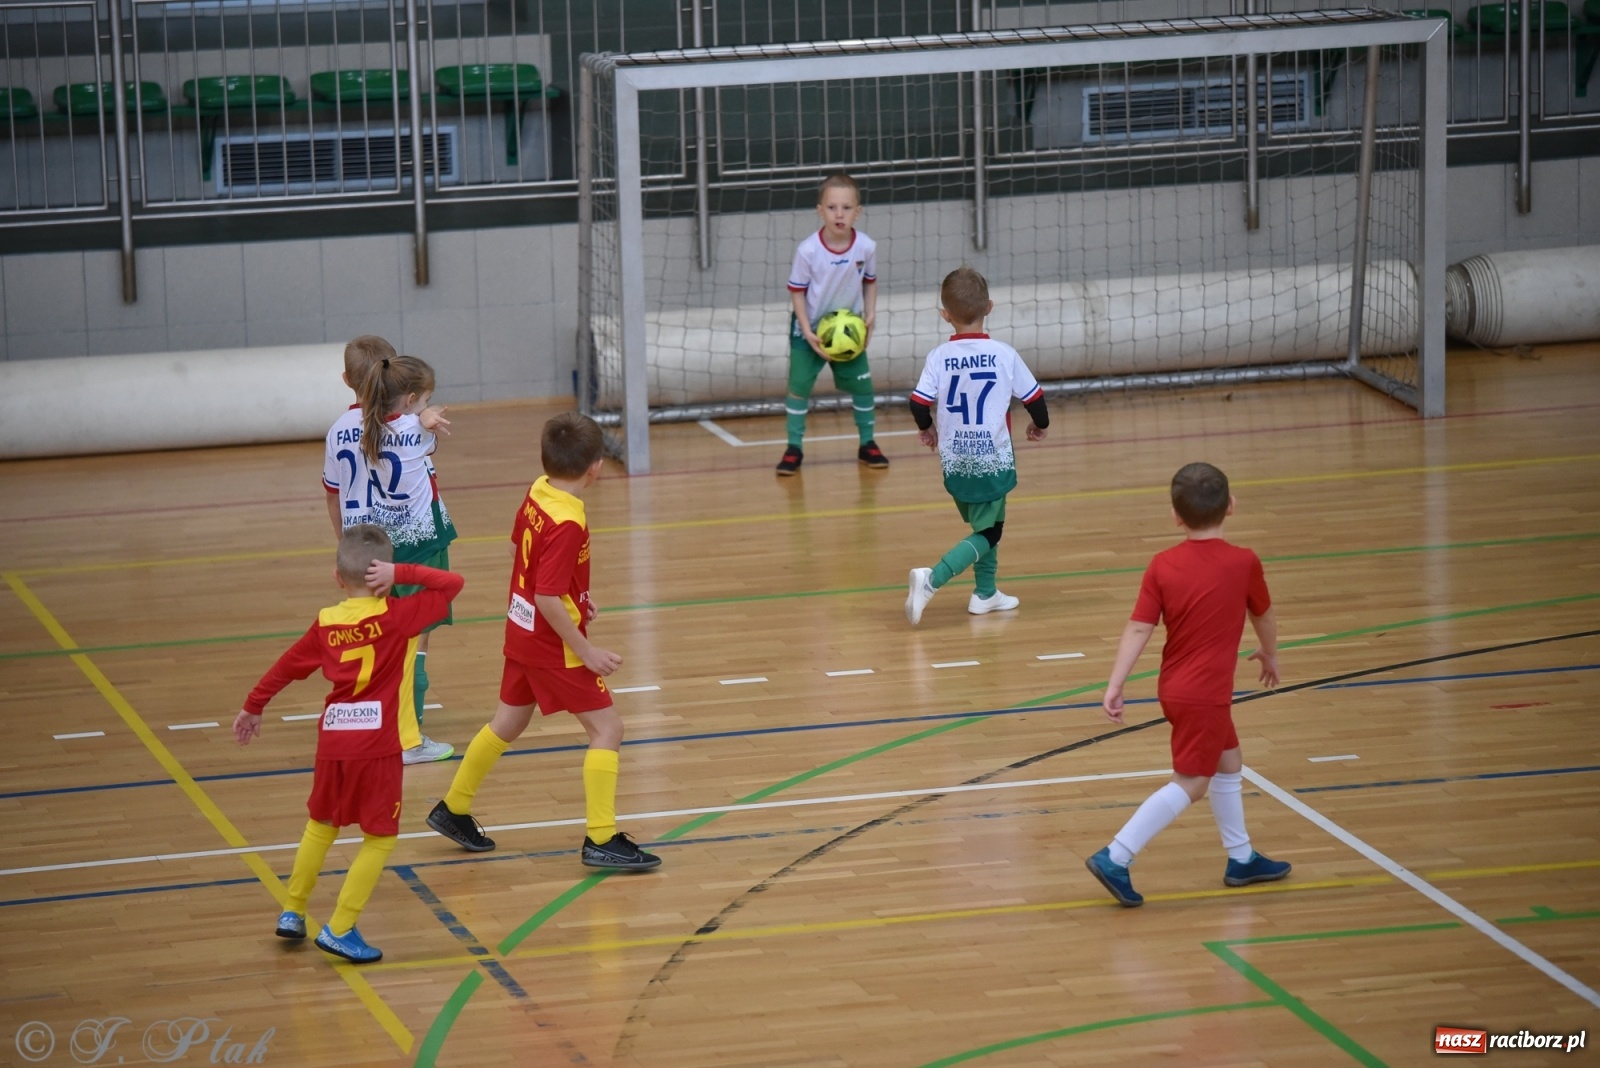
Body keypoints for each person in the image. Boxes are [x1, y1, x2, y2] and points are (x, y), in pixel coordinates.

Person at [426, 411, 661, 871]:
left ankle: (453, 807)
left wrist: (576, 596)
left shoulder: (539, 491)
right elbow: (547, 595)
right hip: (553, 644)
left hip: (523, 629)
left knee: (507, 723)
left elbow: (519, 551)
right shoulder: (568, 520)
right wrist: (586, 650)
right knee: (608, 730)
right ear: (595, 467)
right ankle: (601, 838)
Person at [233, 524, 464, 962]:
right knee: (380, 838)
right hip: (377, 747)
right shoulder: (399, 616)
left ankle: (293, 910)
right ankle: (340, 927)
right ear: (383, 577)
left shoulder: (326, 623)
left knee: (321, 825)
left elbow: (287, 667)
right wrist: (402, 572)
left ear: (337, 577)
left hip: (333, 743)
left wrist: (253, 705)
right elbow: (452, 584)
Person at [1084, 462, 1289, 907]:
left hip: (1176, 687)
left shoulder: (1162, 565)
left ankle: (1241, 858)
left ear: (1176, 516)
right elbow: (1264, 614)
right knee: (1193, 783)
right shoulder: (1244, 562)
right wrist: (1270, 653)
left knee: (1229, 761)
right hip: (1206, 694)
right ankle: (1116, 855)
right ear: (1231, 505)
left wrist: (1116, 683)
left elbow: (1139, 627)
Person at [905, 266, 1049, 625]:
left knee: (989, 522)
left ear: (945, 315)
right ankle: (932, 579)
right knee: (990, 531)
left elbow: (918, 404)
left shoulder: (938, 356)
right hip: (992, 459)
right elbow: (1035, 400)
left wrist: (927, 429)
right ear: (989, 307)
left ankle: (986, 593)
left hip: (955, 461)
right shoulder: (1004, 354)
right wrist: (1040, 425)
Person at [349, 352, 457, 764]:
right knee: (415, 641)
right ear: (411, 399)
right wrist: (425, 417)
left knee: (392, 637)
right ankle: (409, 738)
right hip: (422, 545)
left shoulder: (367, 427)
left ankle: (384, 724)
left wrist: (420, 414)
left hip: (387, 543)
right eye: (425, 399)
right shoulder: (416, 429)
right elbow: (425, 431)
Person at [776, 172, 890, 475]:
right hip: (810, 329)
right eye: (832, 207)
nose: (839, 214)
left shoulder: (866, 246)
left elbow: (870, 282)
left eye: (846, 208)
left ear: (858, 211)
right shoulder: (808, 250)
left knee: (864, 387)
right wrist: (807, 330)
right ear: (820, 210)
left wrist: (870, 315)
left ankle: (867, 443)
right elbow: (797, 292)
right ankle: (793, 447)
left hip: (849, 331)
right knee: (799, 387)